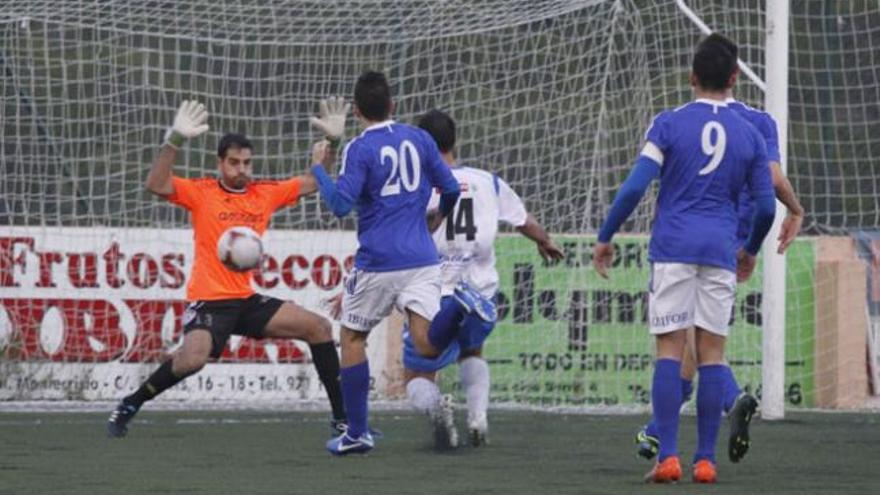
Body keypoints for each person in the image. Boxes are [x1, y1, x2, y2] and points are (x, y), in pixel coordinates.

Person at [592, 34, 776, 483]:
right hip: (719, 250)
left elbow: (636, 186)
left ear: (691, 77)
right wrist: (749, 249)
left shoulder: (668, 123)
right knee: (712, 355)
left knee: (670, 351)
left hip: (673, 247)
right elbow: (768, 206)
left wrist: (606, 234)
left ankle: (668, 457)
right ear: (734, 78)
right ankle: (706, 462)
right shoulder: (750, 133)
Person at [107, 98, 350, 437]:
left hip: (246, 301)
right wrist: (174, 140)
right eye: (234, 163)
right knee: (192, 359)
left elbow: (314, 181)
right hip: (209, 300)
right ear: (220, 163)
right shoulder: (202, 192)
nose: (242, 170)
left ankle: (343, 420)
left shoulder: (263, 193)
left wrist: (334, 143)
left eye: (247, 163)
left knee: (320, 328)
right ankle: (131, 402)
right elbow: (156, 184)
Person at [635, 33, 806, 465]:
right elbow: (770, 178)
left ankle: (723, 404)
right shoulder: (759, 122)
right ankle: (666, 433)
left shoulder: (681, 120)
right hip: (738, 234)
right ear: (736, 75)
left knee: (682, 341)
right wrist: (795, 209)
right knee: (701, 340)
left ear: (694, 76)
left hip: (695, 230)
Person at [311, 71, 461, 455]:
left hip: (379, 262)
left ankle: (357, 433)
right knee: (427, 344)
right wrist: (438, 217)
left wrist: (317, 169)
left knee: (352, 338)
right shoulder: (421, 137)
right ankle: (458, 310)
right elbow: (452, 188)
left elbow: (341, 205)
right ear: (393, 105)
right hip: (423, 259)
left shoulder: (360, 148)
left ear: (358, 110)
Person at [405, 109, 563, 448]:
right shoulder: (487, 181)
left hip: (433, 293)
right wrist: (544, 240)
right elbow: (522, 220)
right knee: (473, 349)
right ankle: (478, 416)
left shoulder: (418, 188)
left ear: (421, 149)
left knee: (418, 375)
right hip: (478, 291)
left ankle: (438, 410)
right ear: (455, 142)